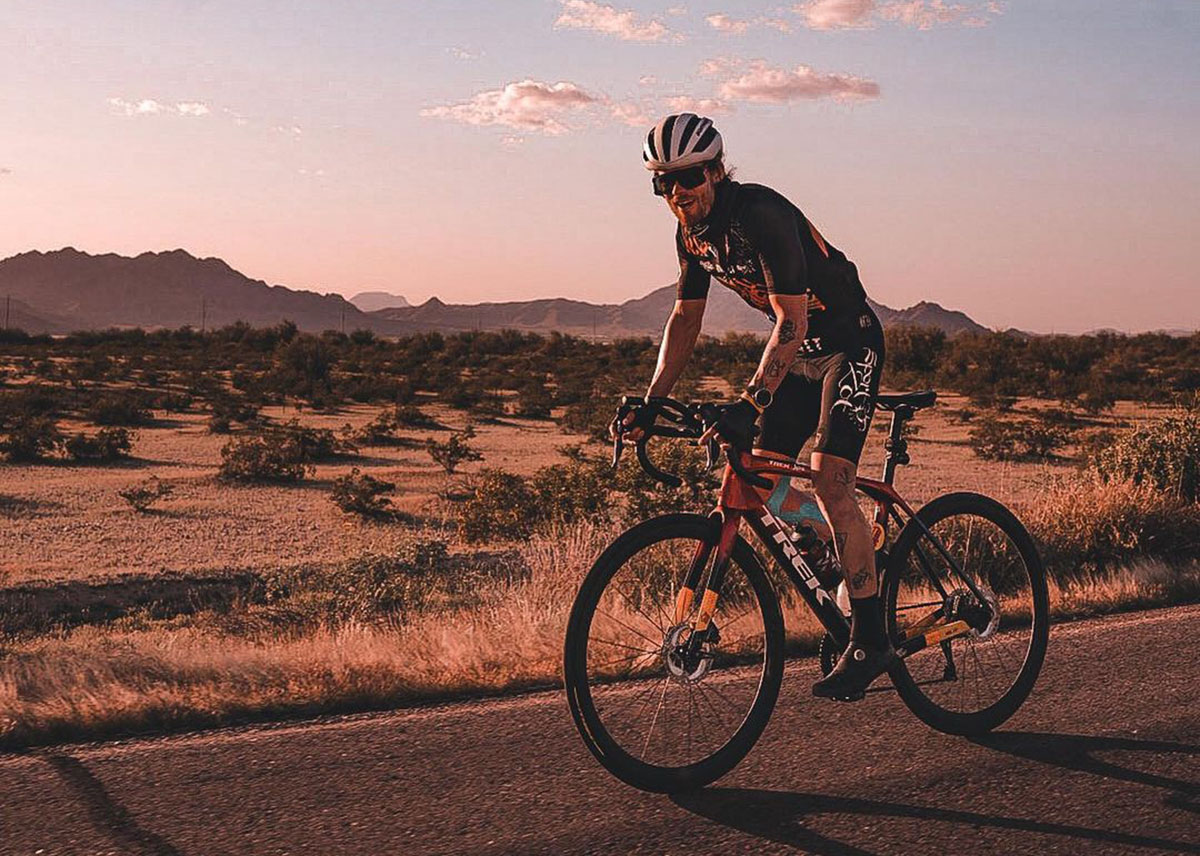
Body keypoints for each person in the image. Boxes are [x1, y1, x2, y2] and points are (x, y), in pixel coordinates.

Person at [620, 113, 891, 699]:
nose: (676, 193)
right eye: (662, 182)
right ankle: (849, 545)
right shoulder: (690, 235)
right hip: (797, 356)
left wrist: (749, 401)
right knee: (759, 478)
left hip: (847, 343)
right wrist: (650, 402)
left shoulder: (759, 215)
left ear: (716, 170)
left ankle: (871, 639)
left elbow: (791, 320)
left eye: (687, 177)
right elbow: (686, 318)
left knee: (829, 478)